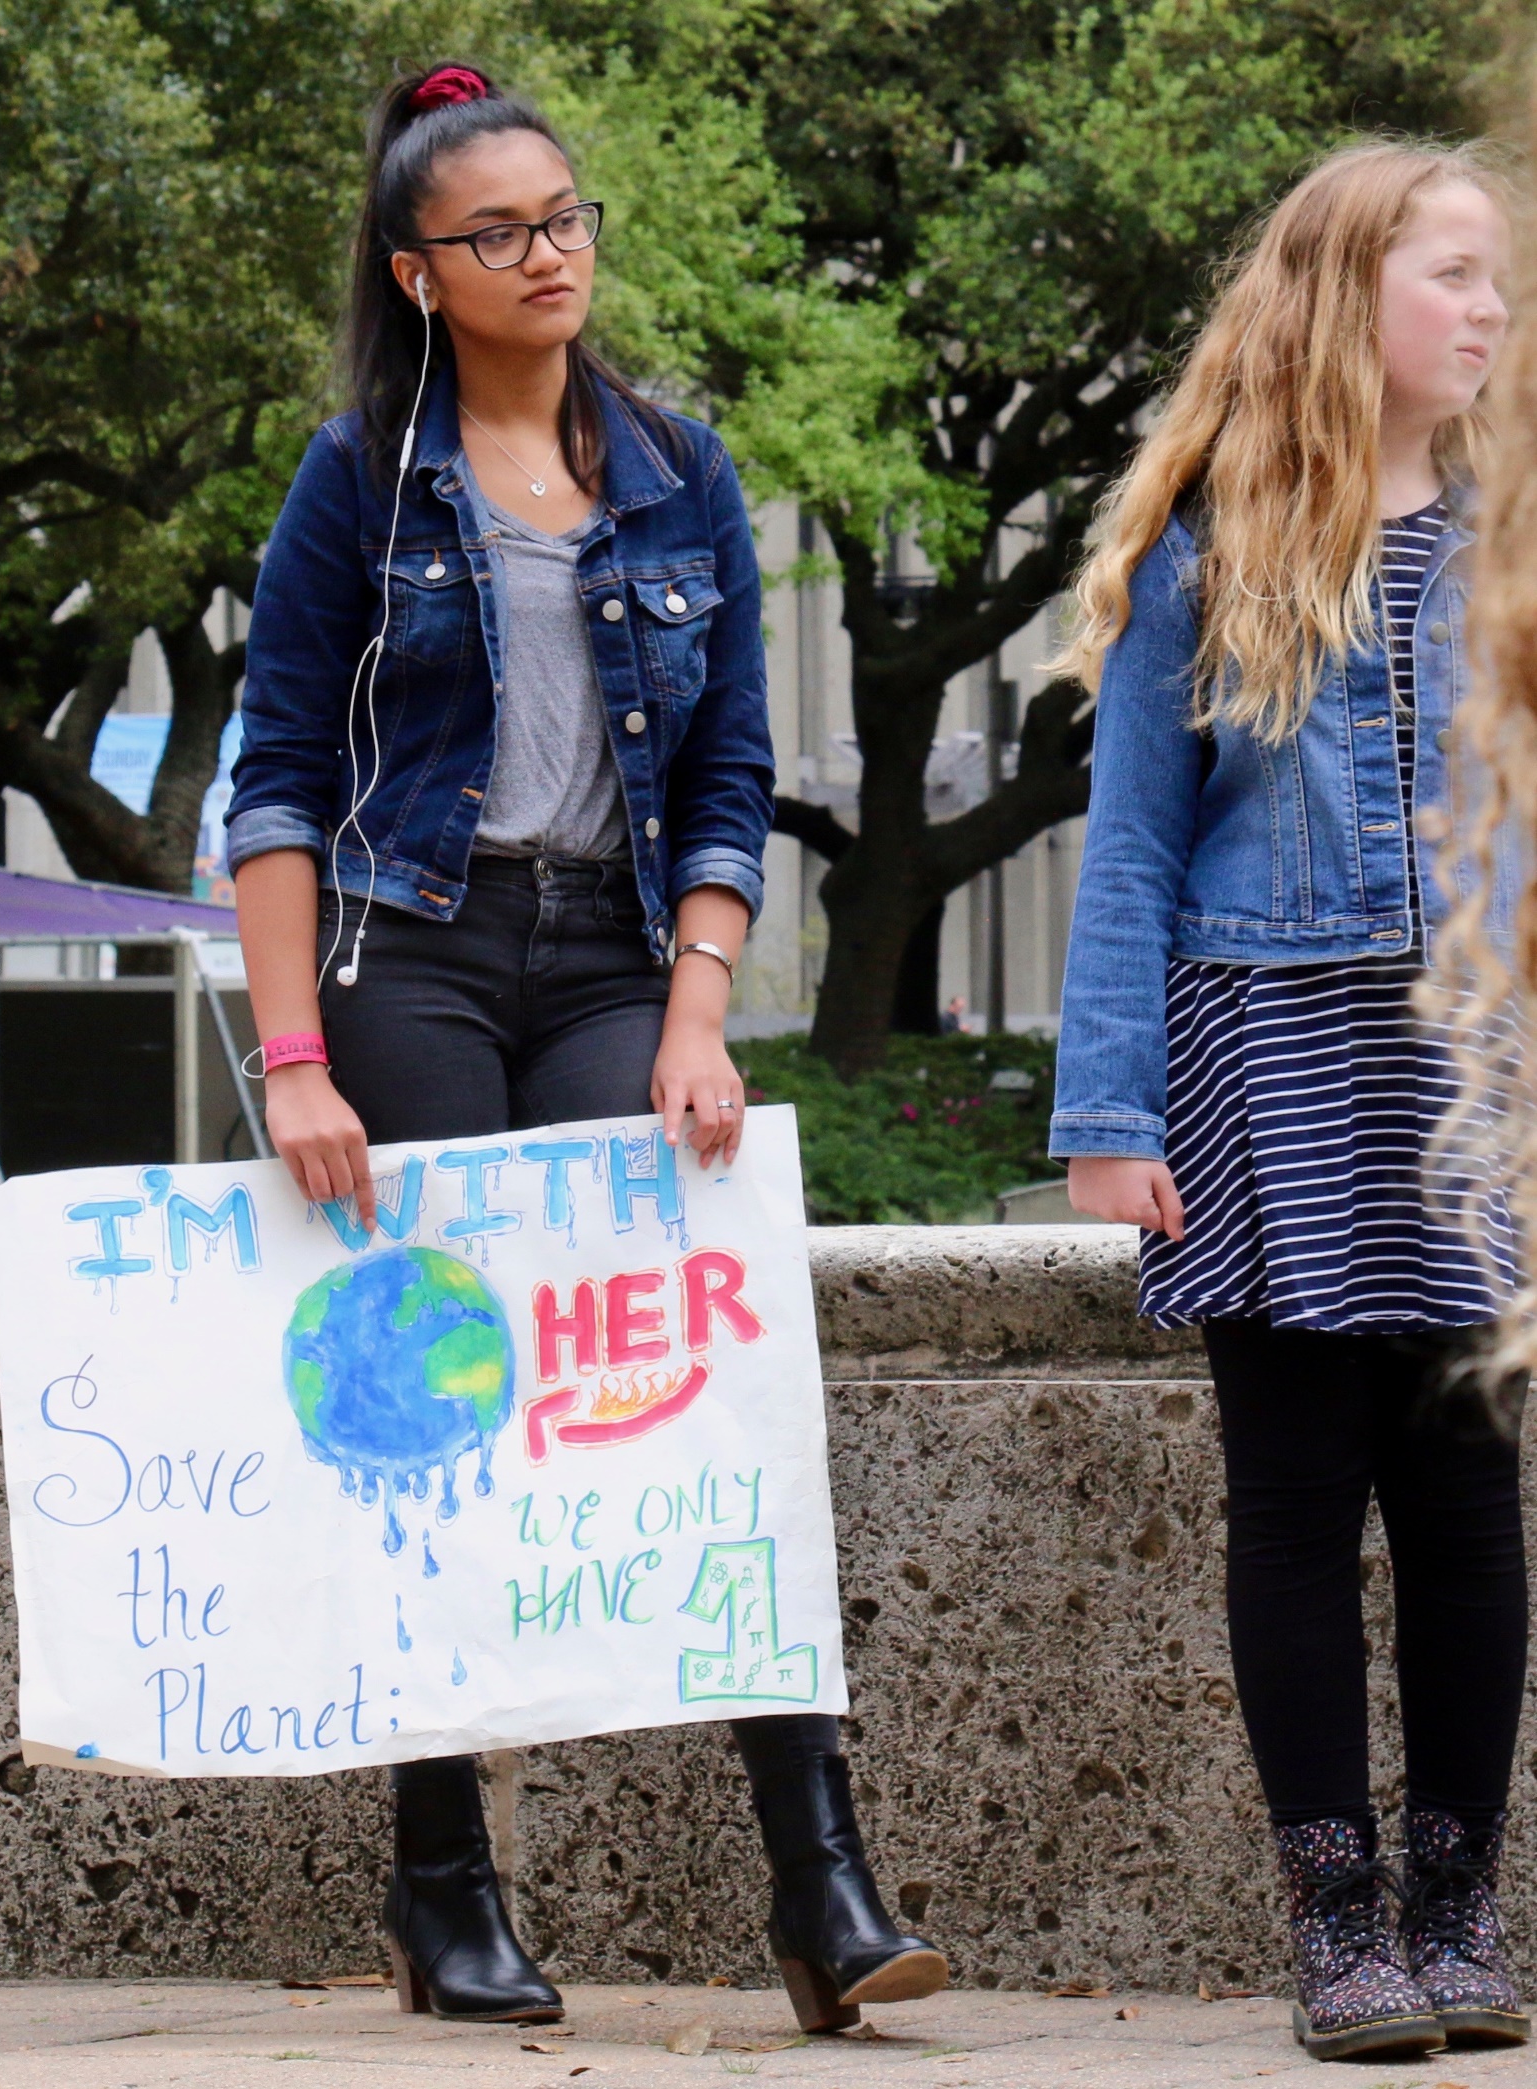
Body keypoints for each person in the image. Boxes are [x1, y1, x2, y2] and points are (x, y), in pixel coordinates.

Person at [226, 63, 946, 2032]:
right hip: (418, 948)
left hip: (613, 948)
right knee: (442, 1403)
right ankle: (441, 1884)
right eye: (497, 233)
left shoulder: (670, 467)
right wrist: (290, 1053)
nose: (546, 255)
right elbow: (278, 776)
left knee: (705, 1384)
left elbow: (726, 765)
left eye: (562, 218)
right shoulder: (352, 479)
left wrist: (702, 1007)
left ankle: (821, 1882)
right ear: (416, 270)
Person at [1050, 143, 1520, 2063]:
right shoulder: (1215, 541)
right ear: (1347, 294)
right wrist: (1109, 1105)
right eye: (1459, 276)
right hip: (1268, 1058)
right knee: (1298, 1494)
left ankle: (1462, 1899)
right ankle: (1338, 1916)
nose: (1494, 311)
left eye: (1504, 282)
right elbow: (1138, 852)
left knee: (1472, 1493)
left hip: (1470, 1066)